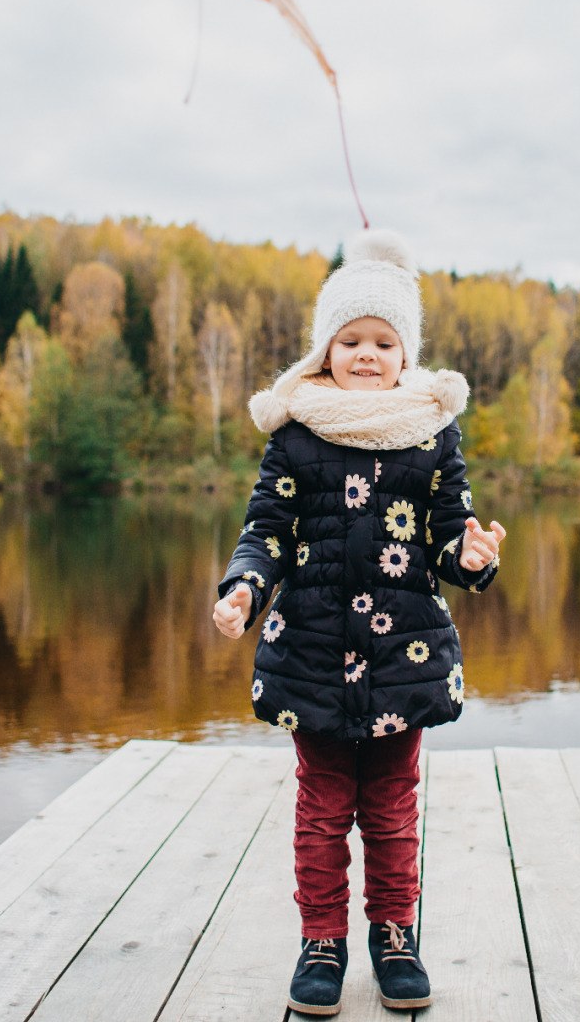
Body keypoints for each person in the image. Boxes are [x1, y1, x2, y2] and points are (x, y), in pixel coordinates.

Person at [212, 229, 506, 1016]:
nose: (367, 354)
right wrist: (245, 587)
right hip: (311, 651)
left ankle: (395, 935)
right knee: (321, 811)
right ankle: (321, 943)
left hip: (403, 657)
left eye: (383, 341)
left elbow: (452, 531)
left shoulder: (432, 434)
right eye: (351, 340)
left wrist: (472, 555)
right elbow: (265, 531)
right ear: (324, 351)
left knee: (392, 811)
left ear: (405, 354)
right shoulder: (296, 435)